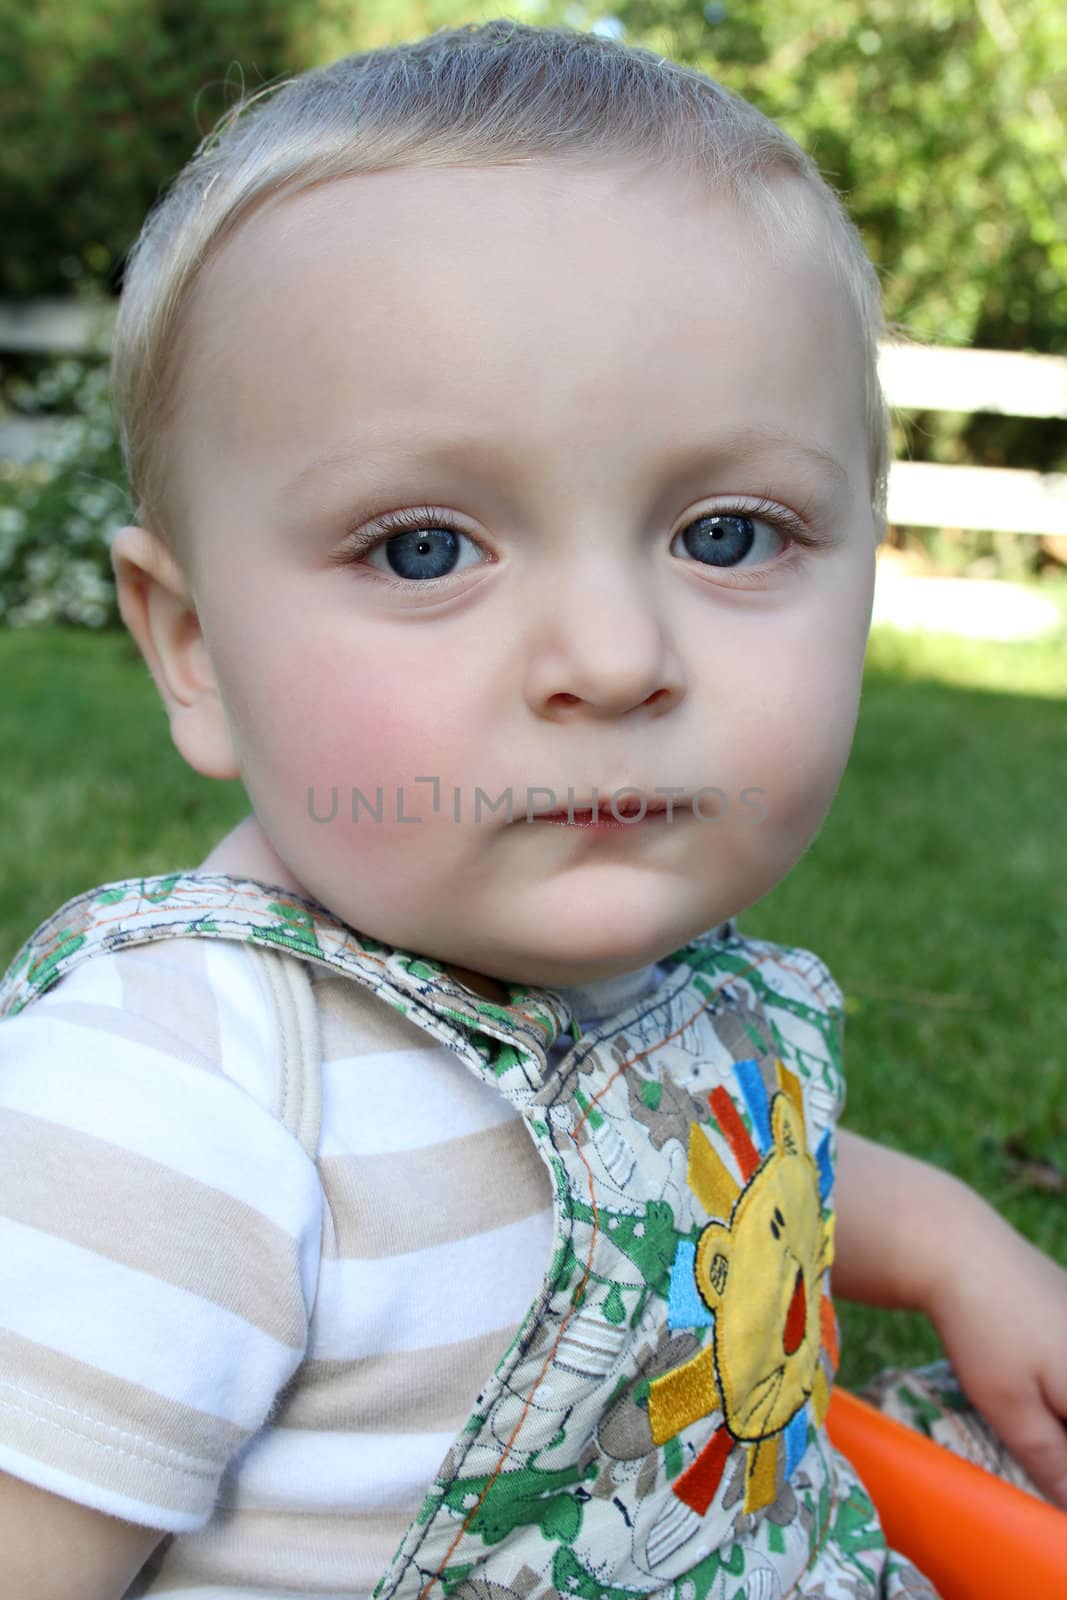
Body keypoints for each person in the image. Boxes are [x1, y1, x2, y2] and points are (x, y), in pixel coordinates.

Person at [0, 18, 1064, 1600]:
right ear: (197, 648)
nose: (619, 657)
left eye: (728, 534)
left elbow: (754, 1153)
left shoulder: (662, 989)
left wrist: (964, 1247)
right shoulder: (179, 1113)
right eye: (426, 548)